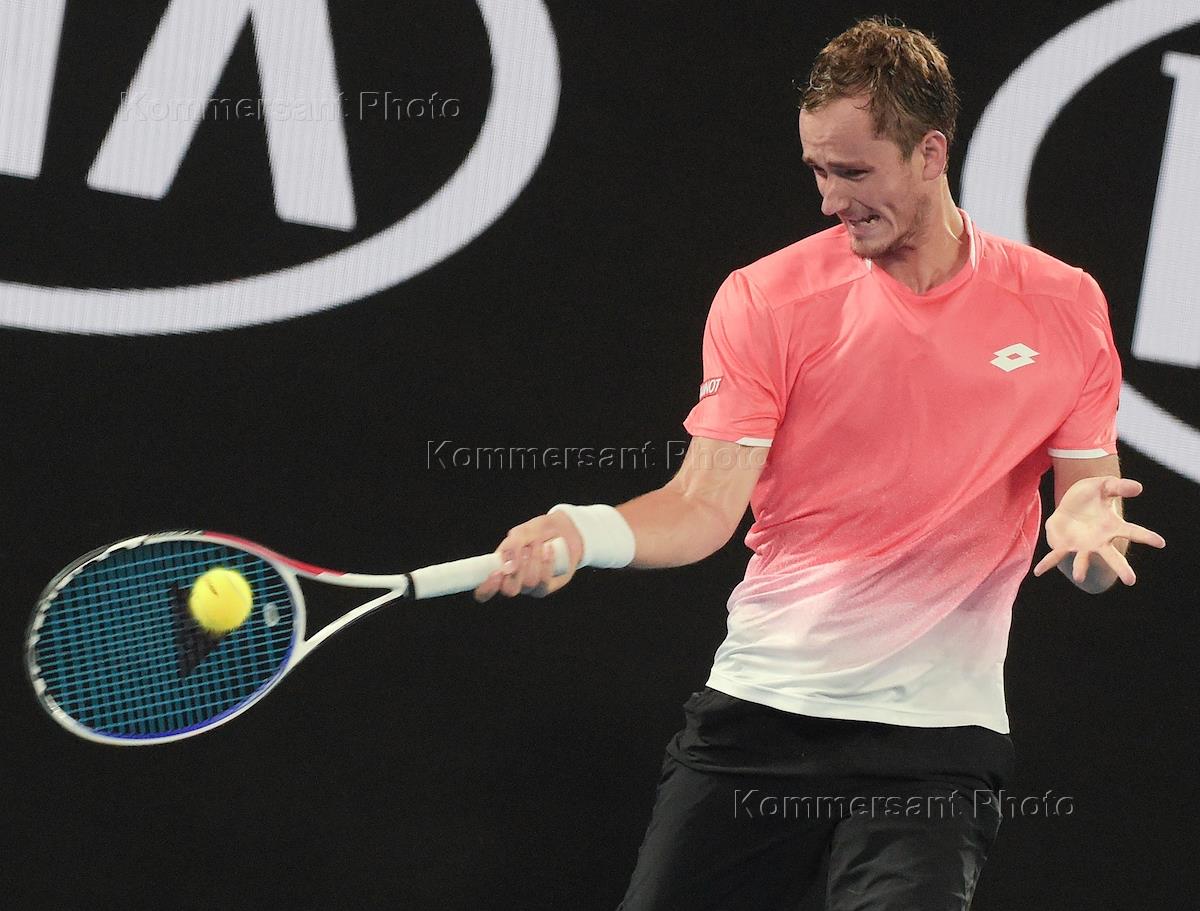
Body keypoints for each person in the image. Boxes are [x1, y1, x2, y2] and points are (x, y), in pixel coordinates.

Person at [473, 16, 1166, 911]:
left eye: (853, 172)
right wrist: (582, 532)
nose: (831, 199)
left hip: (935, 745)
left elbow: (1090, 524)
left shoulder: (1063, 304)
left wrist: (1089, 543)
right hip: (761, 720)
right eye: (817, 171)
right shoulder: (767, 297)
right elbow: (702, 505)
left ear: (930, 152)